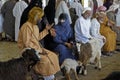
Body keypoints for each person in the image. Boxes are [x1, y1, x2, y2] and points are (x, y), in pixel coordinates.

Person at [18, 7, 60, 80]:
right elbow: (27, 44)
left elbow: (37, 38)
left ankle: (49, 76)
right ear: (35, 17)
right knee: (46, 60)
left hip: (36, 49)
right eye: (40, 17)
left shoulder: (35, 26)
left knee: (53, 56)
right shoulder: (26, 27)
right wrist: (39, 51)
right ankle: (46, 77)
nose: (41, 19)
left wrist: (46, 30)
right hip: (28, 51)